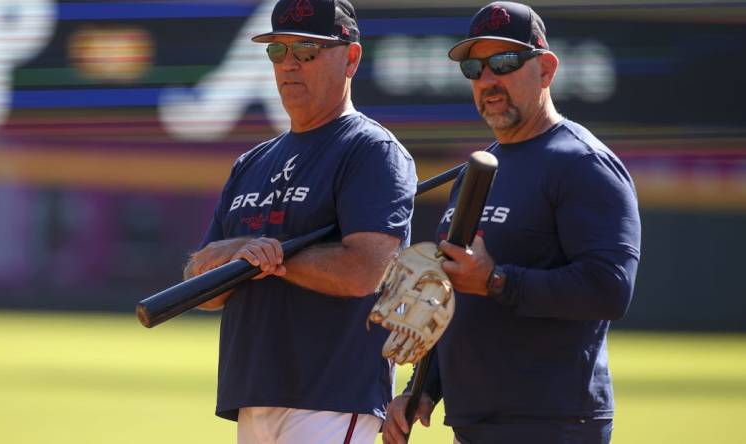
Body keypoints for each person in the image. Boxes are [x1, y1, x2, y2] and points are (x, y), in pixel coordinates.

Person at [382, 2, 641, 444]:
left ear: (546, 69)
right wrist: (423, 389)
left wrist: (497, 280)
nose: (488, 80)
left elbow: (610, 288)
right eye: (475, 69)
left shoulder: (584, 164)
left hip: (553, 423)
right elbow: (461, 297)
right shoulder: (476, 171)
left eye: (503, 62)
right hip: (474, 424)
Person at [182, 1, 417, 443]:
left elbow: (365, 270)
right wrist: (227, 259)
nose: (289, 65)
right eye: (278, 51)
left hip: (332, 395)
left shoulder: (371, 151)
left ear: (351, 57)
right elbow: (204, 291)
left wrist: (264, 259)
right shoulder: (251, 162)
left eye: (306, 51)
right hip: (253, 393)